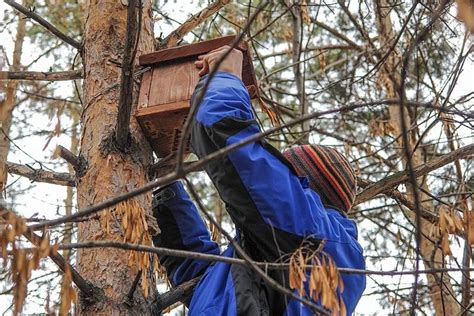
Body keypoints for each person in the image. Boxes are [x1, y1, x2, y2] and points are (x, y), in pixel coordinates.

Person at [152, 45, 366, 315]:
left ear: (306, 187)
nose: (277, 176)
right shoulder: (276, 253)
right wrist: (165, 190)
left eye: (286, 173)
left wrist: (224, 76)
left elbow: (222, 133)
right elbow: (204, 280)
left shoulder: (315, 234)